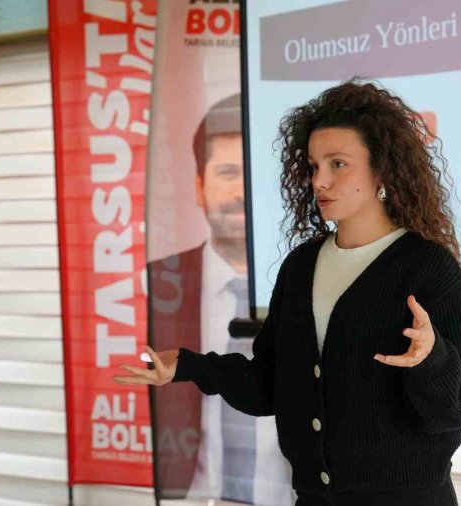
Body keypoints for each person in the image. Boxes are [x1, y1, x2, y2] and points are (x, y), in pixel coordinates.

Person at [117, 80, 461, 506]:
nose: (320, 181)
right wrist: (187, 365)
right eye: (313, 166)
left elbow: (454, 409)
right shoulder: (301, 267)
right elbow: (269, 385)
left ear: (382, 169)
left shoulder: (428, 267)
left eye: (338, 164)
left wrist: (432, 357)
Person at [145, 94, 293, 505]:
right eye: (228, 172)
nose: (241, 191)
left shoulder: (307, 281)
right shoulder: (158, 282)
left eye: (254, 175)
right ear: (199, 188)